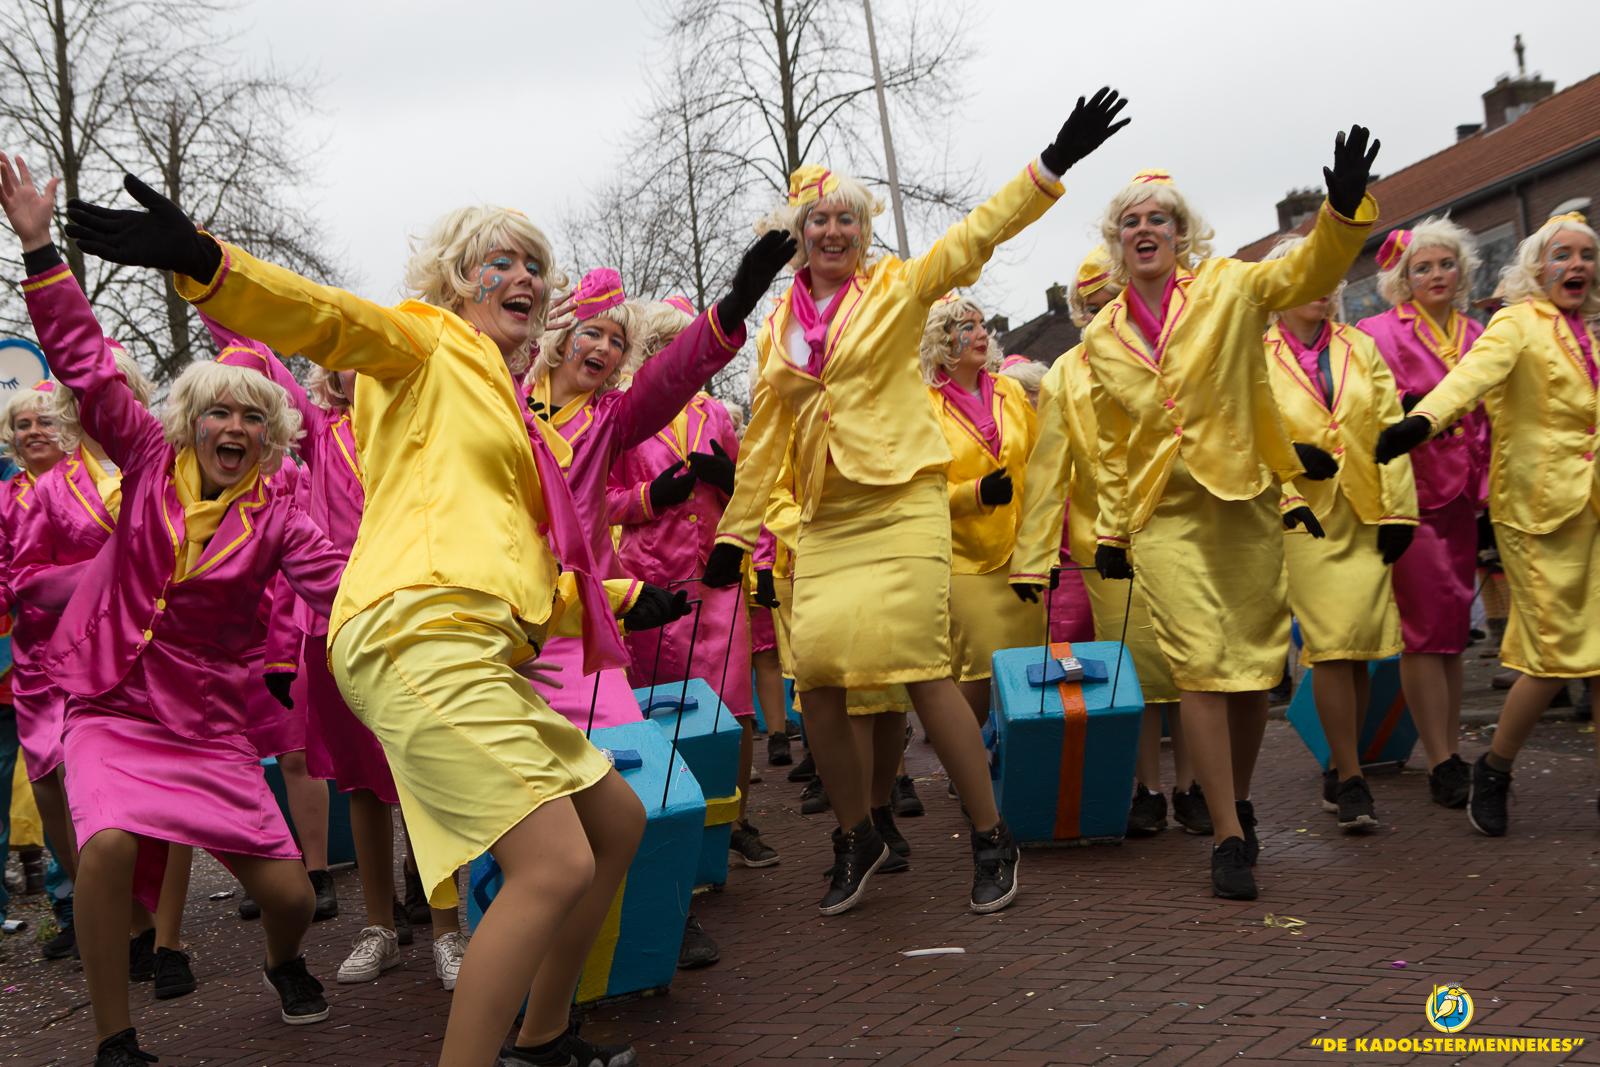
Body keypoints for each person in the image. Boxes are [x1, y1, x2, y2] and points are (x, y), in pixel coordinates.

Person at [61, 160, 774, 1065]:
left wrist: (619, 600)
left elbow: (517, 558)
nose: (523, 276)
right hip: (417, 635)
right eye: (499, 261)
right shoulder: (425, 340)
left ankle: (544, 1037)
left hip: (479, 641)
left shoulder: (508, 408)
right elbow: (325, 316)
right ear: (454, 280)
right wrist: (206, 261)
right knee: (553, 862)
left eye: (534, 265)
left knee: (617, 823)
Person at [705, 88, 1132, 916]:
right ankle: (858, 832)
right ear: (798, 233)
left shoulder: (898, 289)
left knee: (923, 669)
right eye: (819, 220)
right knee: (816, 679)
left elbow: (976, 235)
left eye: (848, 219)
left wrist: (1052, 163)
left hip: (903, 502)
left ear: (864, 230)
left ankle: (991, 834)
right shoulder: (775, 329)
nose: (834, 231)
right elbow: (764, 434)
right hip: (828, 518)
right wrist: (735, 531)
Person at [4, 151, 352, 1065]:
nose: (233, 427)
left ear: (269, 435)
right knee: (109, 845)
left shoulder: (281, 515)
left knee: (291, 898)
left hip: (208, 725)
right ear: (192, 421)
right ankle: (114, 1037)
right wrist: (39, 249)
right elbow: (86, 364)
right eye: (218, 413)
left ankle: (285, 962)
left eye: (251, 418)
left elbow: (338, 585)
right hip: (113, 702)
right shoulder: (149, 462)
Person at [1080, 130, 1380, 901]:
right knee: (1200, 669)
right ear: (1118, 242)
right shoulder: (1100, 338)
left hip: (1244, 501)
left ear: (1182, 233)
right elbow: (1112, 444)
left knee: (1250, 674)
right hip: (1164, 514)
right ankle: (1226, 834)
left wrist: (1341, 214)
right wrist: (1112, 527)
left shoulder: (1230, 286)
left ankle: (1235, 796)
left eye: (1159, 218)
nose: (1145, 229)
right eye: (1131, 222)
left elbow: (1307, 272)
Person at [1376, 211, 1599, 838]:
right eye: (1562, 255)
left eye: (1586, 255)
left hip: (1591, 509)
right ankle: (1494, 767)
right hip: (1538, 512)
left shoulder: (1589, 332)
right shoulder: (1515, 323)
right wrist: (1419, 423)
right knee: (1553, 658)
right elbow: (1467, 381)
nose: (1576, 265)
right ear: (1537, 266)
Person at [1011, 246, 1206, 837]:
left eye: (1113, 300)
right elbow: (1049, 471)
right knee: (1135, 668)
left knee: (1192, 666)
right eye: (1093, 306)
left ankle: (1193, 786)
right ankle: (1147, 788)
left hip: (1181, 531)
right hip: (1105, 548)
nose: (1106, 313)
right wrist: (1034, 558)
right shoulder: (1065, 374)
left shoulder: (1174, 355)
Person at [606, 296, 778, 870]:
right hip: (655, 587)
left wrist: (729, 481)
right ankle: (674, 817)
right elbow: (600, 500)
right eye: (666, 346)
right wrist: (650, 496)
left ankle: (737, 820)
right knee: (664, 711)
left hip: (717, 579)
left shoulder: (717, 415)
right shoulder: (625, 417)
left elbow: (749, 493)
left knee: (735, 710)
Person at [1262, 235, 1418, 832]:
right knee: (1330, 646)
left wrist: (1400, 513)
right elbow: (1246, 435)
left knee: (1361, 650)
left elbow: (1389, 425)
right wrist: (1290, 471)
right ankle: (1351, 777)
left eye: (1330, 276)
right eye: (1311, 275)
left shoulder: (1360, 346)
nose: (1324, 288)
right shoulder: (1254, 356)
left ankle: (1339, 765)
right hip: (1303, 519)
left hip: (1365, 511)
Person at [1355, 218, 1486, 808]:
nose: (1436, 275)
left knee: (1452, 632)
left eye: (1445, 264)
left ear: (1461, 271)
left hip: (1463, 495)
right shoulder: (1378, 332)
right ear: (1403, 278)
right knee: (1423, 632)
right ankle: (1440, 760)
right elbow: (1366, 413)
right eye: (1422, 267)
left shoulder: (1478, 332)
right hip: (1411, 495)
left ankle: (1449, 747)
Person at [919, 295, 1041, 725]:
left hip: (1023, 556)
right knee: (978, 667)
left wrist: (1042, 545)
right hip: (966, 560)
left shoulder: (1011, 391)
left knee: (1030, 669)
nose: (981, 334)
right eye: (967, 327)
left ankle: (1020, 754)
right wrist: (975, 493)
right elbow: (920, 493)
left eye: (982, 324)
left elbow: (1042, 463)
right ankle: (965, 754)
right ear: (943, 339)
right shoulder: (924, 407)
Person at [0, 380, 78, 958]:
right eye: (22, 424)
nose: (32, 432)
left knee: (95, 783)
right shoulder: (5, 498)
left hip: (95, 654)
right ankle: (79, 901)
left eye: (44, 421)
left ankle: (135, 913)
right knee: (48, 782)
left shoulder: (93, 485)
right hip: (31, 663)